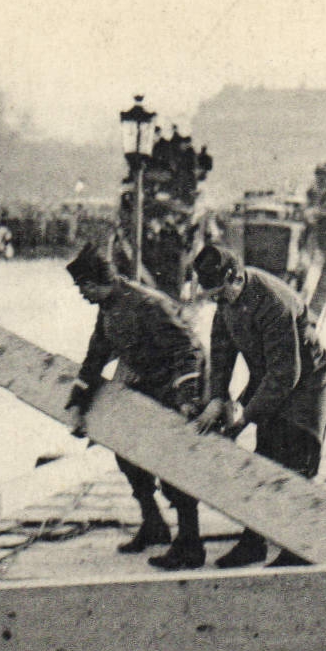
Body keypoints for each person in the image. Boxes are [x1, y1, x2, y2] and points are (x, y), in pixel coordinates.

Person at [63, 244, 208, 570]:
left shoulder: (147, 304)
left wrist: (188, 401)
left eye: (83, 287)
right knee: (126, 453)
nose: (81, 295)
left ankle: (190, 544)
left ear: (98, 281)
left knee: (173, 464)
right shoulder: (108, 308)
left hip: (177, 384)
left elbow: (189, 351)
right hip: (147, 383)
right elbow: (95, 358)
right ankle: (153, 523)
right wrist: (77, 404)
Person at [191, 243, 326, 568]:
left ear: (235, 278)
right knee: (264, 457)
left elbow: (287, 373)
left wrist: (243, 417)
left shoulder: (272, 301)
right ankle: (253, 543)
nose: (216, 300)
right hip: (270, 375)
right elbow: (222, 351)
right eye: (211, 295)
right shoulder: (225, 301)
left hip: (306, 382)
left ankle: (298, 549)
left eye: (219, 293)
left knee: (295, 461)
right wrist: (217, 398)